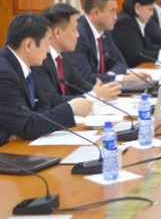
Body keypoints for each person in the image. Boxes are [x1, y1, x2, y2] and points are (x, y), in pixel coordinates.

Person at [0, 13, 92, 146]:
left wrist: (27, 125)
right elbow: (27, 125)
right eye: (47, 43)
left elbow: (44, 106)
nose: (48, 50)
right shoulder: (4, 74)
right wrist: (71, 109)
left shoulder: (24, 65)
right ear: (29, 45)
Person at [32, 3, 122, 108]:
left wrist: (101, 90)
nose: (77, 35)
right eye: (74, 30)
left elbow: (78, 83)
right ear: (57, 33)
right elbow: (52, 100)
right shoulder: (38, 60)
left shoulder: (63, 55)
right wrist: (95, 96)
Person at [64, 0, 138, 85]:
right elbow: (85, 77)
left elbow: (120, 62)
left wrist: (110, 76)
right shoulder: (79, 35)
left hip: (102, 88)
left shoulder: (105, 31)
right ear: (96, 13)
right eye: (112, 11)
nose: (116, 17)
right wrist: (118, 78)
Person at [113, 0, 161, 68]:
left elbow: (148, 46)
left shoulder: (137, 20)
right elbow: (137, 55)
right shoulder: (124, 23)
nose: (152, 14)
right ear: (137, 7)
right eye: (150, 9)